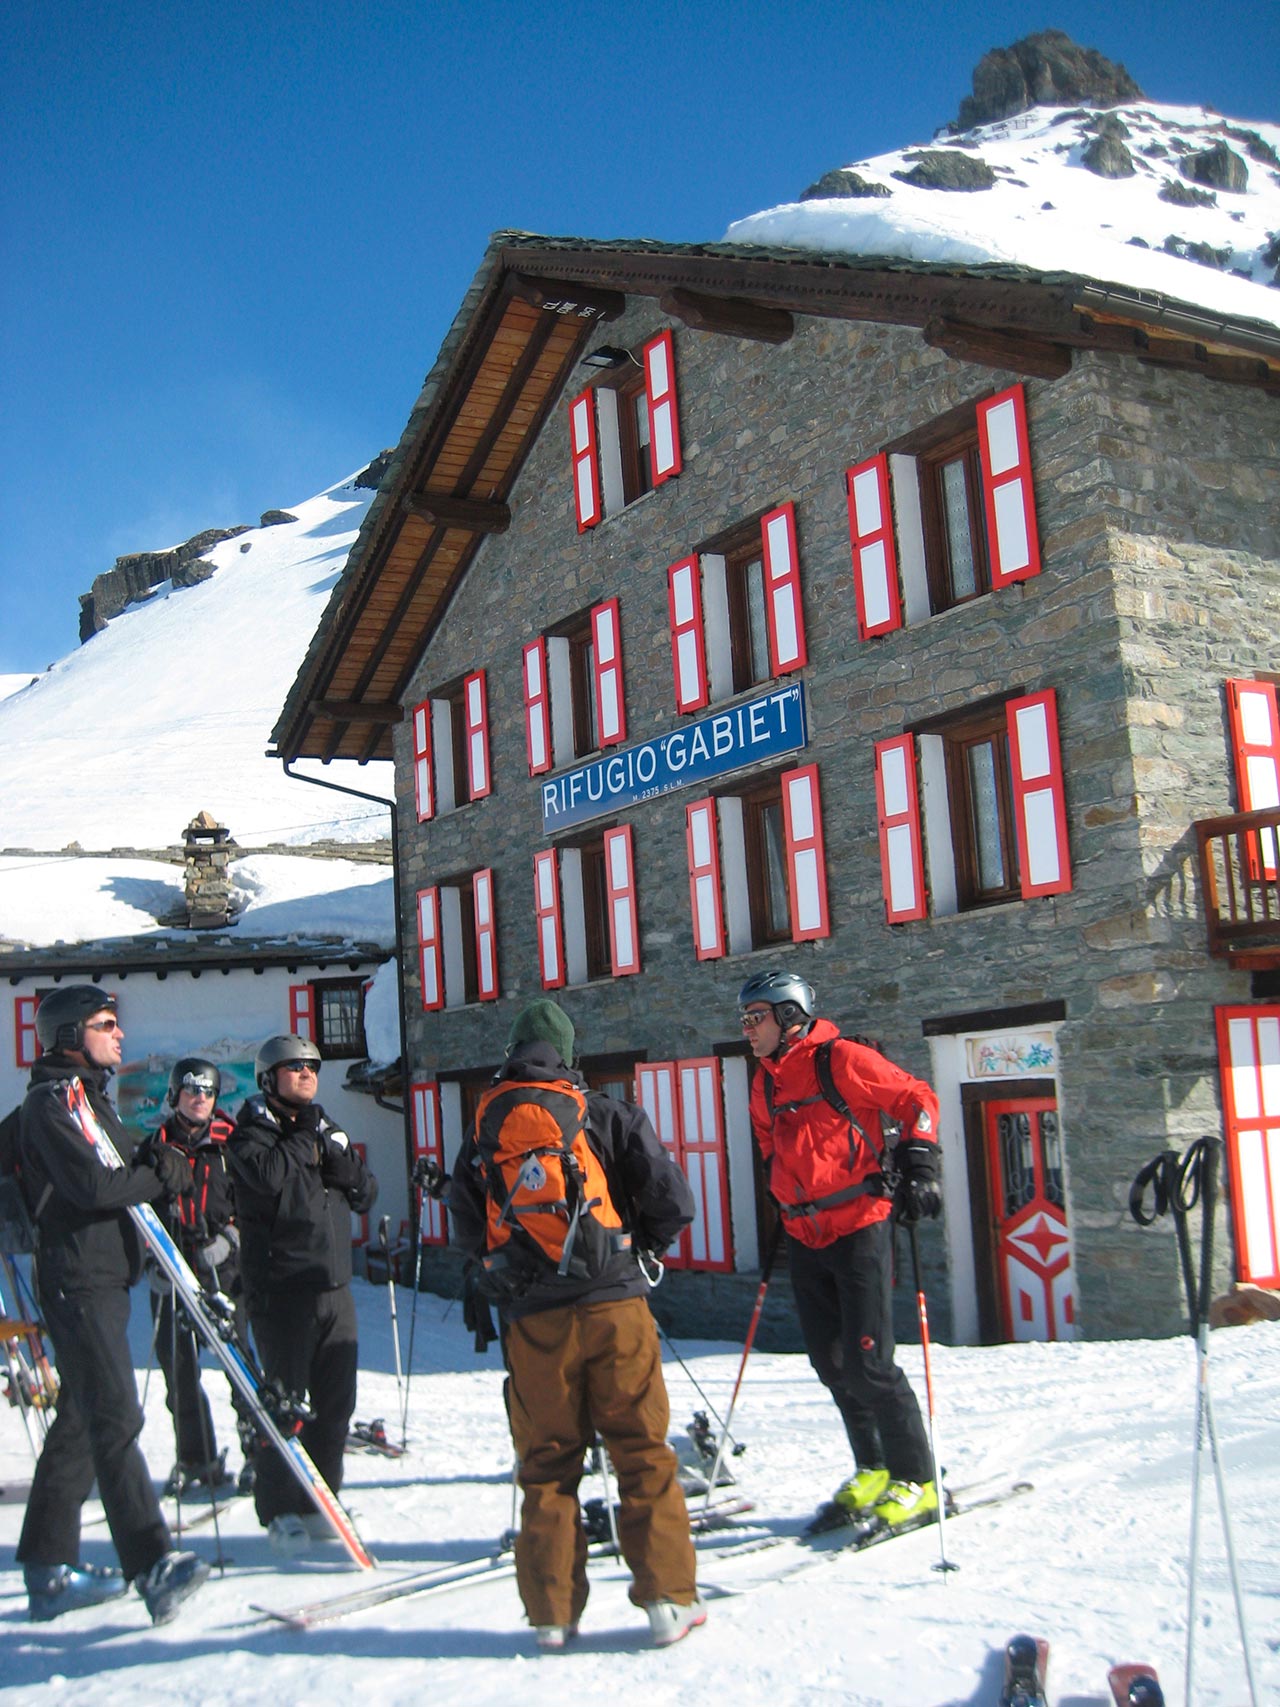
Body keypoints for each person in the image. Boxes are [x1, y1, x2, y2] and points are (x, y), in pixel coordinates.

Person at [447, 998, 705, 1651]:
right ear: (567, 1054)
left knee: (547, 1462)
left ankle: (553, 1615)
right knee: (641, 1450)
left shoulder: (484, 1131)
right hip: (614, 1303)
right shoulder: (606, 1114)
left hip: (535, 1318)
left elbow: (469, 1231)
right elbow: (674, 1202)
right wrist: (636, 1247)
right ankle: (668, 1602)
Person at [14, 985, 209, 1625]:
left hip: (99, 1274)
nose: (119, 1035)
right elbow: (95, 1185)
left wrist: (158, 1158)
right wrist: (158, 1175)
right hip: (76, 1276)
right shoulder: (52, 1101)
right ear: (71, 1036)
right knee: (115, 1419)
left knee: (80, 1418)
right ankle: (150, 1564)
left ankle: (47, 1567)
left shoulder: (89, 1100)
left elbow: (122, 1164)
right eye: (105, 1024)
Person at [738, 969, 943, 1527]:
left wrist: (919, 1164)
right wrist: (781, 1189)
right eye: (744, 1020)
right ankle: (872, 1467)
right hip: (805, 1232)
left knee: (869, 1363)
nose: (747, 1030)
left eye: (755, 1018)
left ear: (787, 1016)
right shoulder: (764, 1081)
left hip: (860, 1224)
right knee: (829, 1363)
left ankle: (917, 1481)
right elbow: (766, 1142)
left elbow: (916, 1100)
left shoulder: (841, 1059)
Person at [227, 1033, 377, 1554]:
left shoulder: (323, 1124)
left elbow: (366, 1190)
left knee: (336, 1405)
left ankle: (322, 1498)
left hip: (334, 1286)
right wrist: (307, 1137)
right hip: (282, 1291)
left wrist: (346, 1169)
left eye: (312, 1067)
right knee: (284, 1405)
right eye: (295, 1068)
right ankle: (279, 1507)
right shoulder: (249, 1135)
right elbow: (267, 1178)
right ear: (269, 1078)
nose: (307, 1075)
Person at [141, 1058, 255, 1497]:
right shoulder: (156, 1145)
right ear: (175, 1094)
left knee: (239, 1364)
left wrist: (231, 1237)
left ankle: (257, 1451)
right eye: (191, 1090)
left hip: (224, 1269)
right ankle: (197, 1456)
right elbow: (138, 1205)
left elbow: (254, 1197)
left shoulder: (232, 1141)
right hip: (174, 1268)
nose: (200, 1099)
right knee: (179, 1371)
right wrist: (153, 1257)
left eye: (208, 1091)